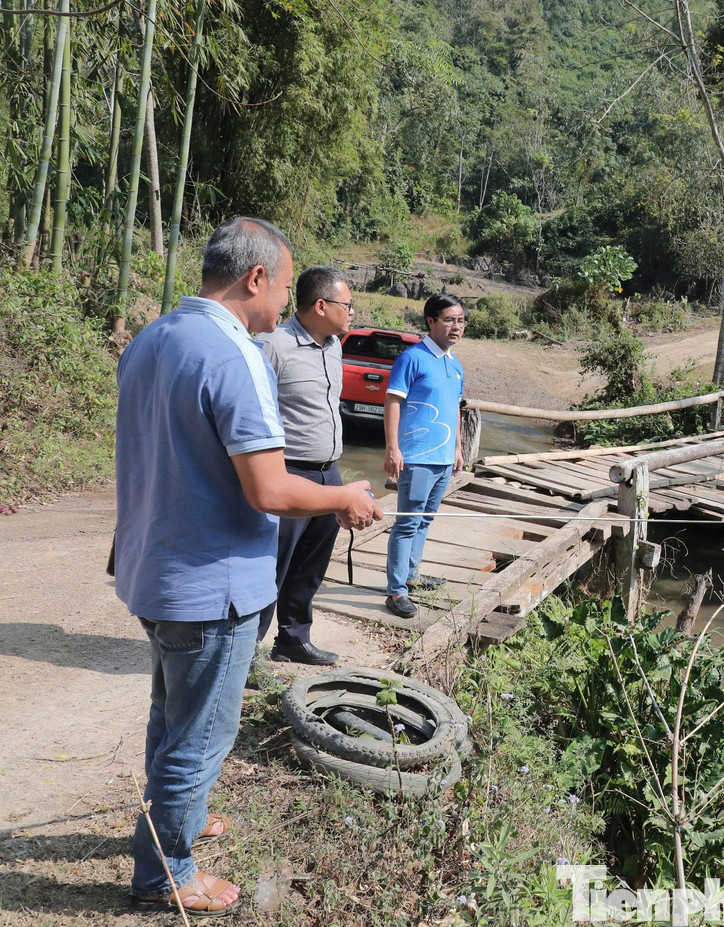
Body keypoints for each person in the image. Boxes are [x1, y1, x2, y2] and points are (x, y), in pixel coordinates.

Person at [114, 217, 381, 916]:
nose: (284, 300)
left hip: (155, 569)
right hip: (212, 585)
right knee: (201, 734)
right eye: (286, 284)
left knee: (172, 716)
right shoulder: (236, 354)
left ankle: (181, 815)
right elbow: (267, 487)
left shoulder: (152, 338)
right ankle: (166, 870)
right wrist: (342, 496)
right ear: (256, 278)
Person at [254, 266, 357, 665]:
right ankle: (245, 652)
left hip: (328, 470)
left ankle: (293, 639)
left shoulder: (335, 346)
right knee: (271, 568)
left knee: (311, 563)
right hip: (288, 473)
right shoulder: (273, 346)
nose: (351, 312)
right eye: (347, 305)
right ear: (321, 305)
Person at [382, 293, 468, 619]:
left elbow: (455, 409)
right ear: (431, 321)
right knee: (406, 523)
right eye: (449, 319)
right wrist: (393, 448)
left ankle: (412, 574)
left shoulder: (454, 363)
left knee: (425, 520)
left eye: (460, 320)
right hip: (416, 457)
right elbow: (392, 402)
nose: (456, 326)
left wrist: (458, 448)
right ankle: (396, 591)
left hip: (444, 459)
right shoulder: (412, 358)